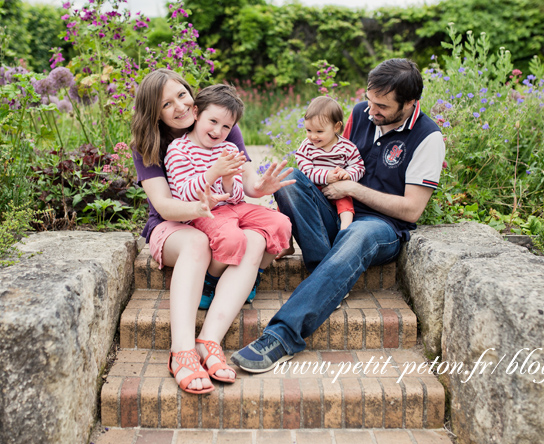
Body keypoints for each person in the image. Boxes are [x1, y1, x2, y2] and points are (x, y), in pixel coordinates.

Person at [231, 58, 446, 373]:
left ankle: (282, 335)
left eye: (382, 106)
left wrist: (354, 190)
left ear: (410, 103)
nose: (371, 111)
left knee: (357, 235)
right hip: (336, 211)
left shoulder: (428, 138)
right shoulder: (360, 113)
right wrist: (330, 178)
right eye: (370, 101)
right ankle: (328, 272)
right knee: (290, 180)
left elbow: (412, 208)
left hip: (380, 228)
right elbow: (334, 155)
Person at [131, 69, 294, 393]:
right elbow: (165, 206)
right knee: (198, 243)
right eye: (166, 104)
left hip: (218, 211)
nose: (179, 106)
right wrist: (201, 208)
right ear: (154, 112)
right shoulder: (152, 144)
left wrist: (259, 188)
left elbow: (243, 182)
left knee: (254, 237)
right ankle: (182, 351)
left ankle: (210, 341)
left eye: (182, 94)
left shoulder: (218, 125)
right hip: (174, 222)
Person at [165, 84, 292, 285]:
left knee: (281, 223)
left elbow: (237, 196)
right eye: (213, 121)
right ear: (196, 112)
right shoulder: (178, 150)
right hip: (204, 213)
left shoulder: (230, 148)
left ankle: (254, 276)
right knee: (233, 239)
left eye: (226, 126)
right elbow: (183, 194)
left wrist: (227, 181)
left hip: (234, 208)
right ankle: (211, 281)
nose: (218, 131)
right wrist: (214, 172)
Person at [295, 96, 365, 232]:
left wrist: (348, 174)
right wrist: (326, 176)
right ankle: (287, 241)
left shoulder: (347, 147)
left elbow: (359, 166)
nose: (313, 136)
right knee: (289, 196)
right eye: (309, 130)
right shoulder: (306, 147)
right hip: (314, 187)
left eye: (319, 131)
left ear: (336, 127)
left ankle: (345, 228)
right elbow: (305, 170)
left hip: (338, 187)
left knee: (346, 200)